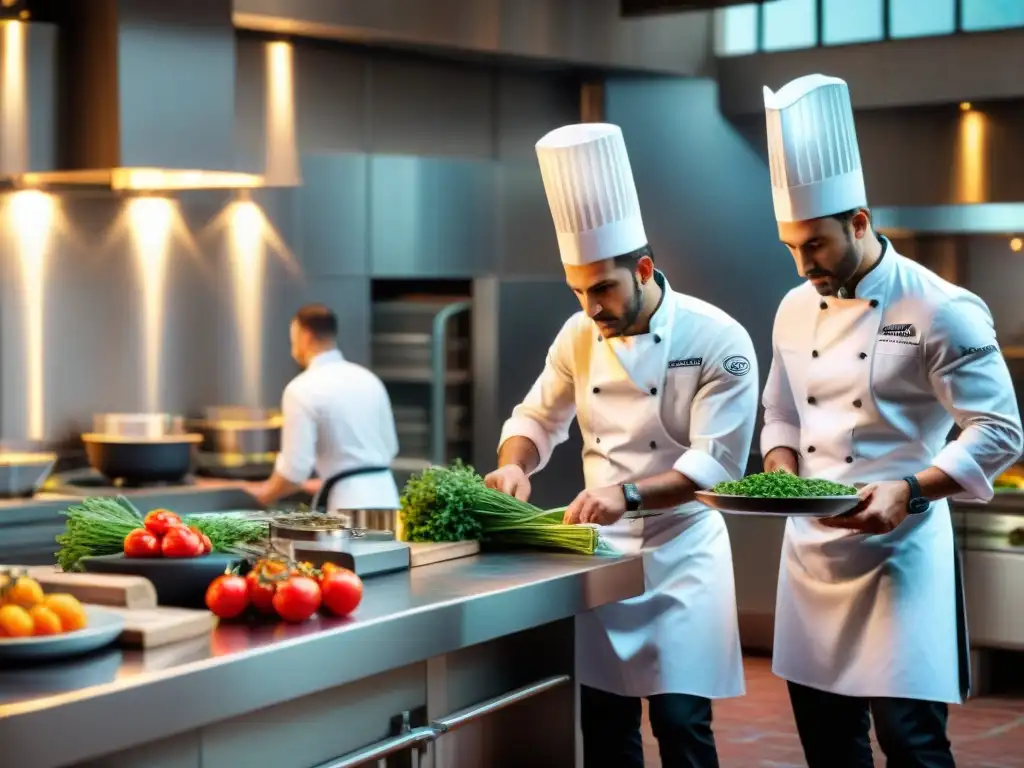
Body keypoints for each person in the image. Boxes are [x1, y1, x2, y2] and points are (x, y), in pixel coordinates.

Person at [759, 73, 1023, 768]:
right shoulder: (792, 307)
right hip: (810, 556)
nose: (802, 263)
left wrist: (908, 489)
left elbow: (1000, 432)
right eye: (790, 246)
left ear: (859, 222)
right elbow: (780, 411)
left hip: (898, 559)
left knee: (912, 744)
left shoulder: (941, 308)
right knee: (828, 744)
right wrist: (781, 470)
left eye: (813, 244)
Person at [484, 122, 758, 768]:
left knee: (681, 720)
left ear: (642, 268)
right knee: (604, 726)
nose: (590, 307)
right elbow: (536, 416)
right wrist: (513, 467)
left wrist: (626, 493)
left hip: (683, 549)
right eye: (577, 291)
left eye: (602, 289)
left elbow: (714, 463)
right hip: (604, 555)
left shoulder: (719, 338)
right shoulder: (577, 334)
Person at [247, 303, 401, 513]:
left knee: (348, 547)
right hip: (388, 499)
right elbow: (390, 447)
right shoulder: (369, 379)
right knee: (387, 547)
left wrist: (261, 498)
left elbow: (295, 470)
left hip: (348, 506)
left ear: (305, 335)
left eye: (293, 338)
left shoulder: (301, 388)